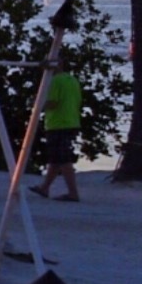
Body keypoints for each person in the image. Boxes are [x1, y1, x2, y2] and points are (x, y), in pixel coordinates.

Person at [37, 42, 85, 203]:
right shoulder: (72, 80)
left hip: (58, 123)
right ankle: (45, 188)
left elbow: (53, 102)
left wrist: (37, 107)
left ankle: (73, 193)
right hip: (71, 121)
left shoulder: (55, 81)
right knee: (56, 159)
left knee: (63, 159)